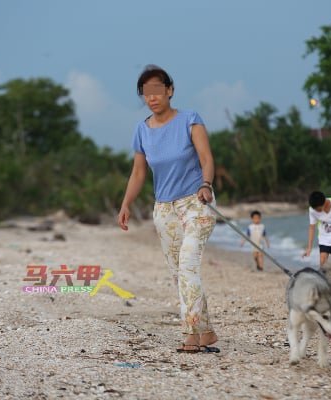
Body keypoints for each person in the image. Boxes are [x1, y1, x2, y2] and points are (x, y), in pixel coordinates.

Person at [117, 65, 219, 354]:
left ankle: (190, 335)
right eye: (146, 93)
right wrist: (126, 204)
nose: (152, 97)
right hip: (164, 210)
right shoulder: (142, 130)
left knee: (188, 266)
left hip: (195, 202)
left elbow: (206, 158)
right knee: (180, 274)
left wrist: (206, 184)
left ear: (169, 90)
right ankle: (207, 332)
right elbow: (138, 173)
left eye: (157, 90)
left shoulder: (190, 120)